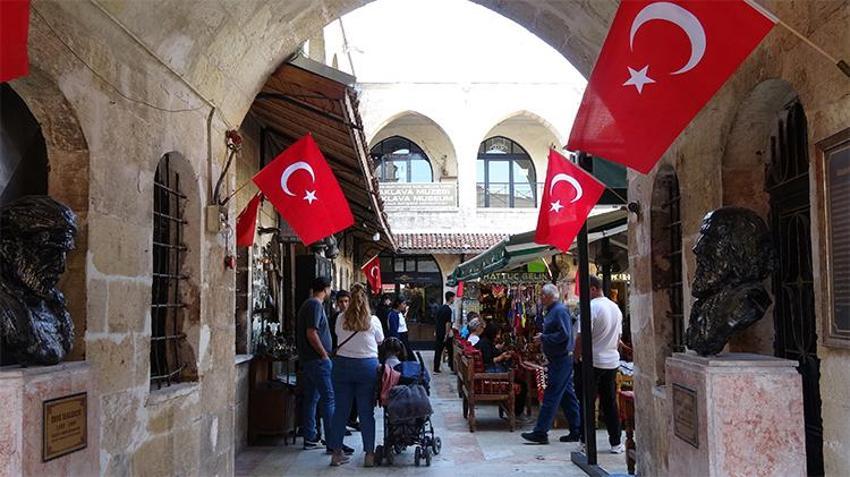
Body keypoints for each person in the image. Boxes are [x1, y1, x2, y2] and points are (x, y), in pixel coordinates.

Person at [328, 284, 384, 467]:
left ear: (350, 300)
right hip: (367, 367)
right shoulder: (373, 320)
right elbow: (380, 340)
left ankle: (336, 454)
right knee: (366, 412)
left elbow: (337, 335)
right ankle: (369, 454)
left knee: (340, 411)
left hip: (343, 365)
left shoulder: (340, 318)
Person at [521, 283, 581, 445]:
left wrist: (544, 338)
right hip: (559, 359)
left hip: (561, 360)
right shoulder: (554, 311)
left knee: (551, 394)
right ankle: (577, 429)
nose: (540, 298)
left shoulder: (559, 311)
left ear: (549, 296)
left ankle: (541, 432)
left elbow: (564, 334)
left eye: (542, 295)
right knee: (568, 396)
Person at [574, 275, 624, 454]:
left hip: (592, 362)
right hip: (611, 362)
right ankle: (616, 442)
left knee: (586, 401)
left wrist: (576, 358)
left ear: (593, 288)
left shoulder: (590, 308)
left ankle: (585, 441)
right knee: (610, 402)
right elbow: (618, 339)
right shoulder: (615, 308)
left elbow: (581, 337)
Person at [296, 276, 335, 451]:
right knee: (328, 399)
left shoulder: (309, 304)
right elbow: (312, 333)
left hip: (310, 361)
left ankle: (310, 437)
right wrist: (324, 354)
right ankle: (332, 442)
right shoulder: (315, 305)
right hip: (317, 361)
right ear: (326, 289)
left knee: (311, 399)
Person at [475, 323, 526, 416]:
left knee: (518, 378)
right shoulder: (485, 344)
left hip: (489, 372)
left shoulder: (486, 342)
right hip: (489, 375)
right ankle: (516, 412)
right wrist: (501, 357)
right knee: (522, 384)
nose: (498, 336)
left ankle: (514, 410)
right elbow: (489, 361)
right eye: (497, 334)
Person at [433, 291, 455, 373]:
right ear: (450, 298)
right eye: (453, 297)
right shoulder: (448, 310)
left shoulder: (440, 308)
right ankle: (452, 367)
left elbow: (437, 321)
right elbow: (448, 323)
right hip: (445, 333)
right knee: (450, 351)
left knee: (438, 350)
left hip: (439, 331)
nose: (454, 299)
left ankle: (436, 367)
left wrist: (436, 330)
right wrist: (446, 334)